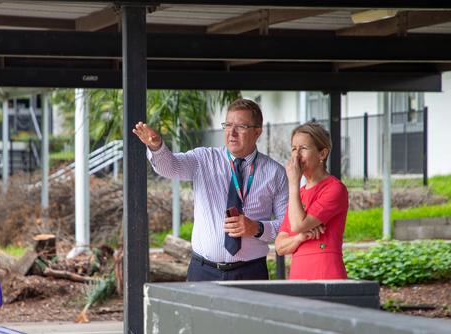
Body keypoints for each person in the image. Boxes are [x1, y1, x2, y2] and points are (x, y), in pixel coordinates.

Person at [133, 98, 288, 281]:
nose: (232, 133)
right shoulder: (203, 159)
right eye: (228, 125)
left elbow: (287, 226)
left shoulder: (275, 173)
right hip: (203, 271)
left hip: (251, 272)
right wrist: (157, 146)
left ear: (257, 132)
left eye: (241, 127)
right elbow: (171, 167)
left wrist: (258, 228)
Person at [274, 122, 349, 280]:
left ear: (322, 154)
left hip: (326, 272)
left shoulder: (334, 189)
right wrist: (300, 237)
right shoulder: (298, 194)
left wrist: (293, 182)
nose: (296, 156)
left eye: (303, 148)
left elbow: (297, 225)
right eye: (294, 149)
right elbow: (280, 246)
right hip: (299, 274)